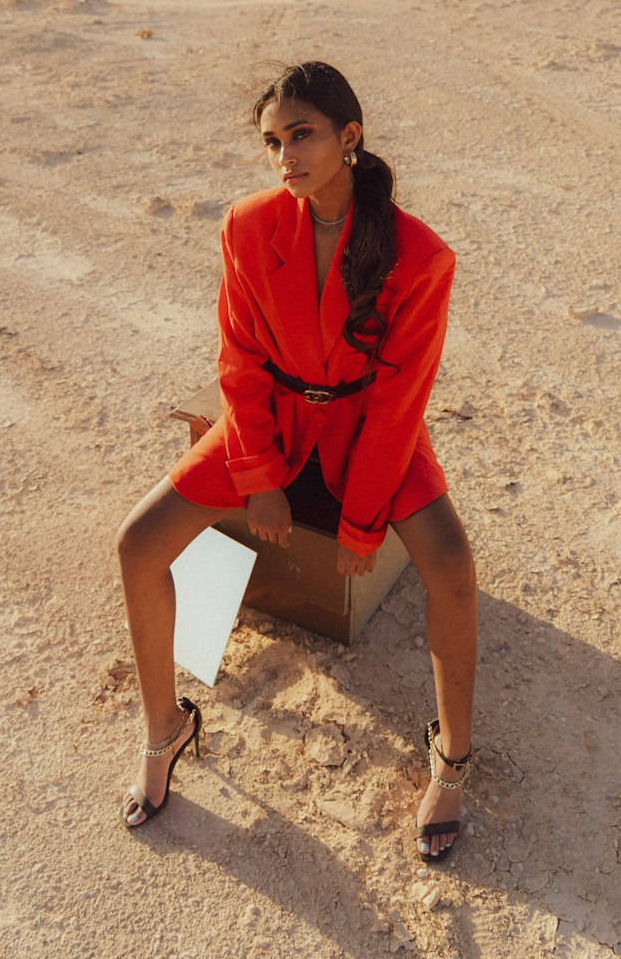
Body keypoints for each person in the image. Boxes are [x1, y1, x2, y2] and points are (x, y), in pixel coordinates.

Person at [116, 61, 478, 860]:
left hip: (366, 428)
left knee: (451, 562)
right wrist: (260, 478)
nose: (285, 154)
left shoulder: (420, 255)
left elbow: (397, 402)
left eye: (302, 134)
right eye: (273, 140)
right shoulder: (246, 224)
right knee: (137, 544)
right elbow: (239, 358)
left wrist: (360, 523)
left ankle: (449, 759)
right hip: (270, 418)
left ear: (350, 138)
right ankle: (164, 730)